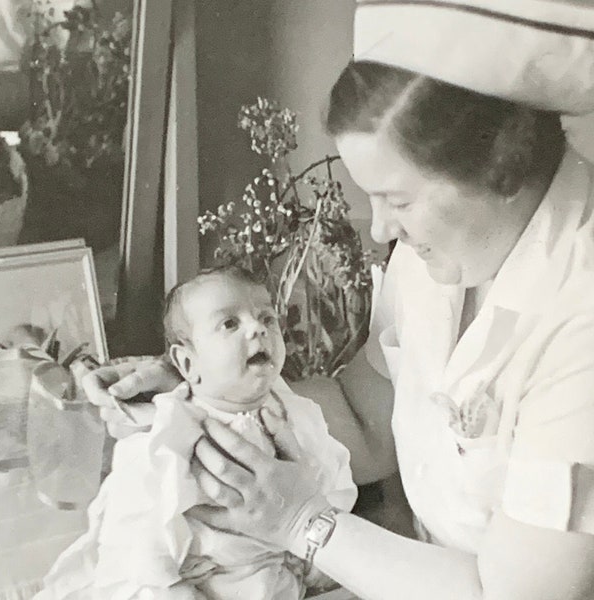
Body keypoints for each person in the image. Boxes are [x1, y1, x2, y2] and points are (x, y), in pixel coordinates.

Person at [84, 1, 594, 598]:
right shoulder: (439, 259)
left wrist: (303, 522)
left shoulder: (579, 320)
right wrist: (207, 397)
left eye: (398, 200)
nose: (379, 231)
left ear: (502, 171)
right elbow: (363, 415)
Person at [37, 266, 356, 600]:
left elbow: (333, 480)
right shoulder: (172, 430)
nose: (257, 329)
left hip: (286, 574)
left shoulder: (299, 413)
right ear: (187, 365)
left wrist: (319, 554)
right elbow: (138, 527)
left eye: (267, 318)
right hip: (208, 581)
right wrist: (171, 587)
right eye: (229, 323)